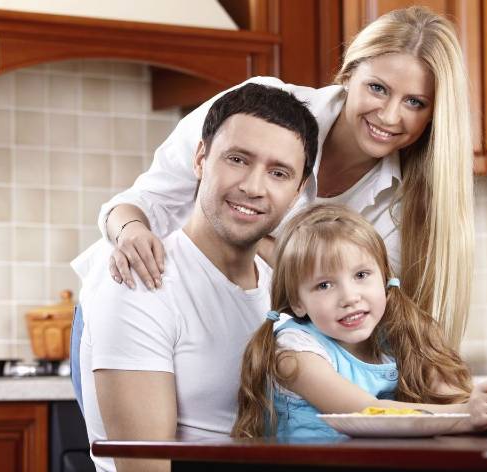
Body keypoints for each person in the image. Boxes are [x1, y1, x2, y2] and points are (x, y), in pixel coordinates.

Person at [72, 6, 474, 351]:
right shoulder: (257, 109)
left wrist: (276, 251)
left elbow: (357, 313)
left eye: (415, 102)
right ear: (349, 73)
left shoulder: (408, 204)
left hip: (241, 341)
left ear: (435, 113)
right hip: (139, 308)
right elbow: (142, 201)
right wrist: (129, 231)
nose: (389, 116)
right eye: (377, 88)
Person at [79, 83, 319, 472]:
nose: (253, 187)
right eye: (238, 159)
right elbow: (144, 469)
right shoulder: (141, 280)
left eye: (278, 172)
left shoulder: (287, 290)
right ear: (201, 159)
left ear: (298, 191)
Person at [232, 204, 487, 438]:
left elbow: (456, 406)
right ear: (297, 302)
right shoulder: (294, 352)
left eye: (361, 275)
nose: (349, 296)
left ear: (384, 278)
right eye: (324, 285)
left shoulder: (394, 340)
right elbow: (366, 413)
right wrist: (466, 414)